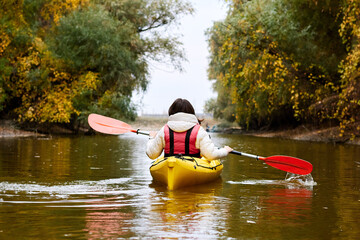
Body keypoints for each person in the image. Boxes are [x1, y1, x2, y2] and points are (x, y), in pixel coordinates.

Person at [146, 98, 233, 160]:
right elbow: (211, 155)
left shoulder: (164, 130)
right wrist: (225, 150)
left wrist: (151, 138)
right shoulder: (199, 131)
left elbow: (152, 154)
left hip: (171, 164)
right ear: (191, 112)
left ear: (171, 112)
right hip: (192, 167)